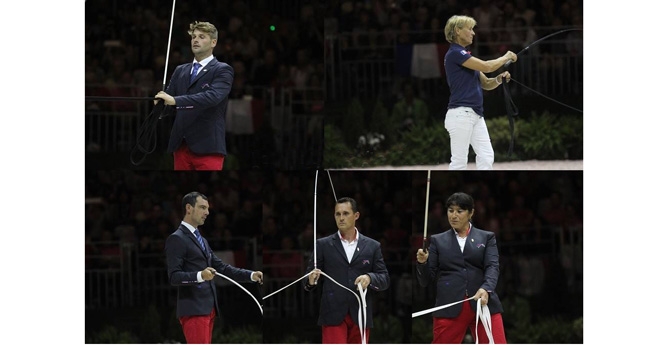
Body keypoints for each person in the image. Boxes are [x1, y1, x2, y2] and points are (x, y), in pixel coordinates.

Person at [165, 192, 263, 344]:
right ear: (189, 208)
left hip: (207, 308)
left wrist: (250, 275)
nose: (207, 212)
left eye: (208, 208)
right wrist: (200, 276)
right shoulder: (177, 238)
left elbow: (221, 268)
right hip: (193, 309)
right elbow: (174, 276)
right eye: (203, 207)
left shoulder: (201, 239)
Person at [416, 192, 507, 344]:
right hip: (449, 305)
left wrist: (486, 288)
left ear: (471, 212)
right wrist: (422, 263)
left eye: (460, 211)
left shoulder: (487, 237)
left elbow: (492, 266)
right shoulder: (438, 240)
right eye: (450, 210)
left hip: (482, 301)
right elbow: (425, 280)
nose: (454, 215)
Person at [304, 197, 390, 344]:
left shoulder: (372, 246)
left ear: (356, 216)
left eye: (345, 213)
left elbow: (384, 279)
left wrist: (369, 278)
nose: (341, 218)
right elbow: (307, 279)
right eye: (338, 214)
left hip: (360, 314)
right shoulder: (323, 245)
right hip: (333, 313)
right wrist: (311, 280)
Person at [154, 21, 233, 170]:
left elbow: (212, 97)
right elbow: (170, 103)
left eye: (202, 37)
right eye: (194, 36)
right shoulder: (180, 70)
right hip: (180, 145)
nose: (195, 40)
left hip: (208, 145)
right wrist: (161, 106)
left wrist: (174, 100)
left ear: (213, 42)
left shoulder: (222, 69)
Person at [443, 15, 518, 170]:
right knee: (459, 161)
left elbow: (486, 83)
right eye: (470, 29)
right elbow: (487, 66)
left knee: (486, 156)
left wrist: (499, 79)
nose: (473, 33)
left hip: (476, 114)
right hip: (461, 113)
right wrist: (507, 56)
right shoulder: (455, 53)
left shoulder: (466, 56)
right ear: (457, 30)